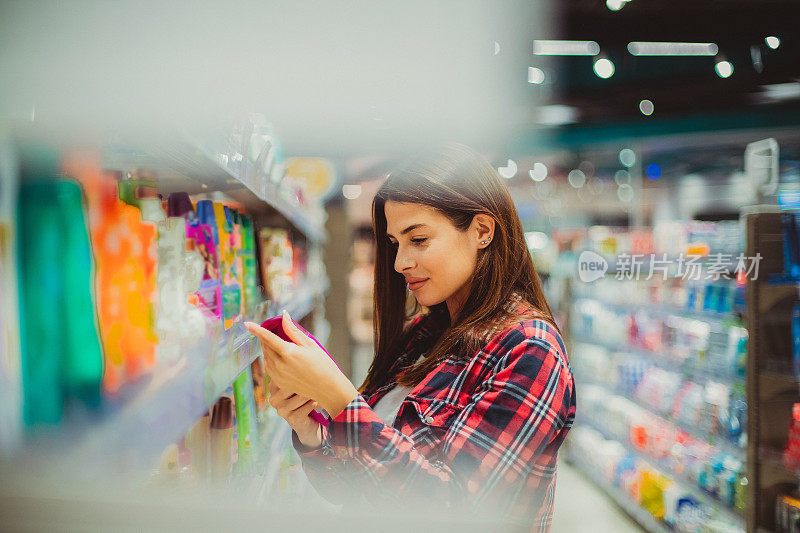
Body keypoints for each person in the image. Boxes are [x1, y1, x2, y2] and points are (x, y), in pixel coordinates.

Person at [246, 144, 576, 532]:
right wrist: (309, 428)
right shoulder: (420, 335)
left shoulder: (529, 349)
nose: (401, 262)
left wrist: (341, 399)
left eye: (418, 240)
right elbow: (347, 488)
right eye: (394, 244)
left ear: (482, 231)